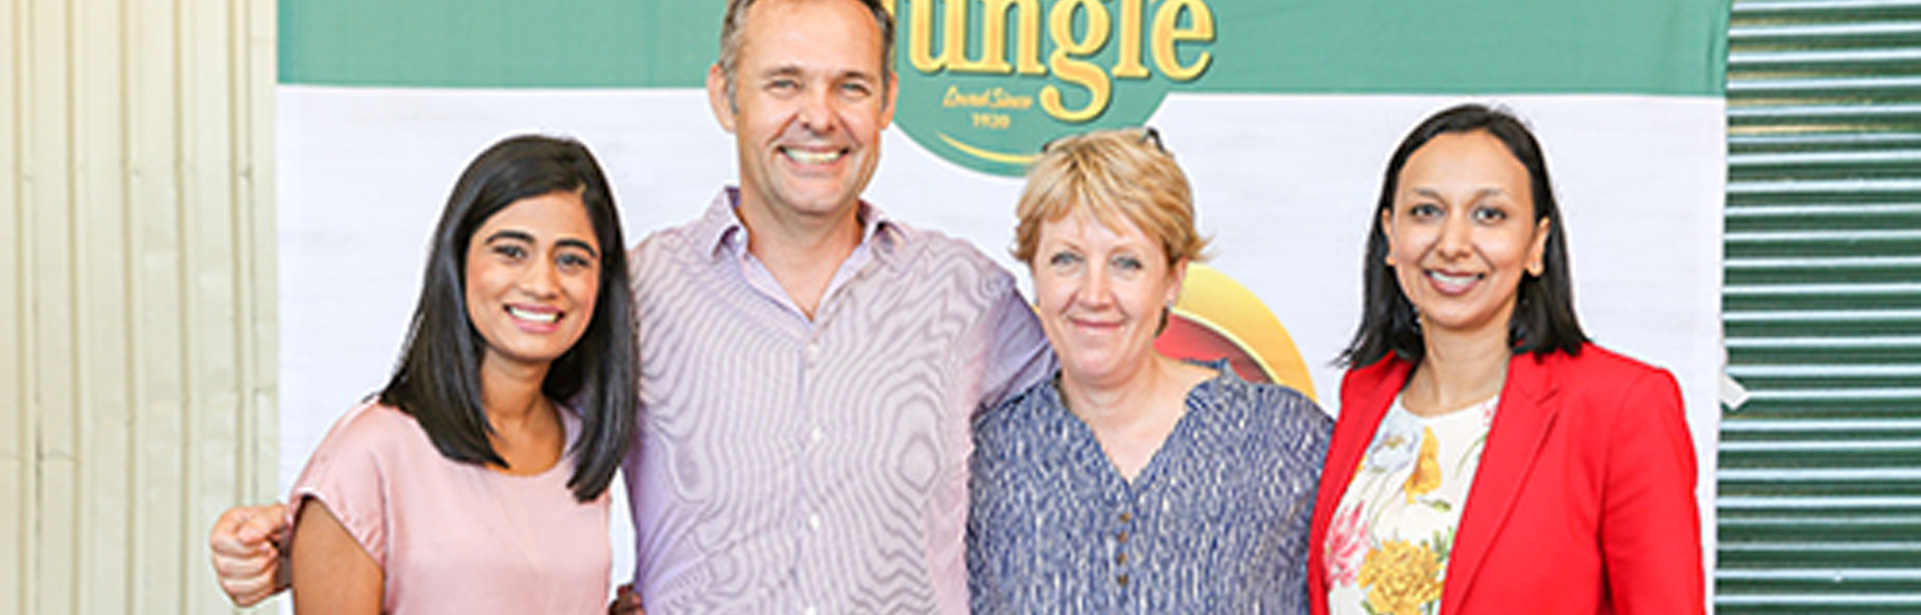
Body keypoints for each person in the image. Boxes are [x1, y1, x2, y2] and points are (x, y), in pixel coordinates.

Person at [211, 1, 1052, 613]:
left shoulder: (968, 295)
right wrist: (308, 544)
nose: (819, 117)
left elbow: (1099, 408)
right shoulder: (632, 296)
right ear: (725, 96)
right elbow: (487, 454)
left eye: (850, 86)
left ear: (889, 101)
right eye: (784, 82)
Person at [1306, 104, 1703, 615]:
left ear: (1536, 244)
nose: (1452, 244)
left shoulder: (1620, 406)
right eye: (1425, 211)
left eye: (1489, 215)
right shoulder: (1367, 394)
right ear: (1390, 236)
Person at [967, 128, 1331, 613]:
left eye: (1127, 263)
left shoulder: (1288, 441)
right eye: (1067, 259)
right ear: (1035, 273)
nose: (1094, 294)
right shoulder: (982, 458)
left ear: (1172, 280)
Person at [279, 134, 637, 613]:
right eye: (511, 251)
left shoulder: (579, 445)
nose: (542, 283)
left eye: (572, 259)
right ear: (458, 259)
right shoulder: (370, 454)